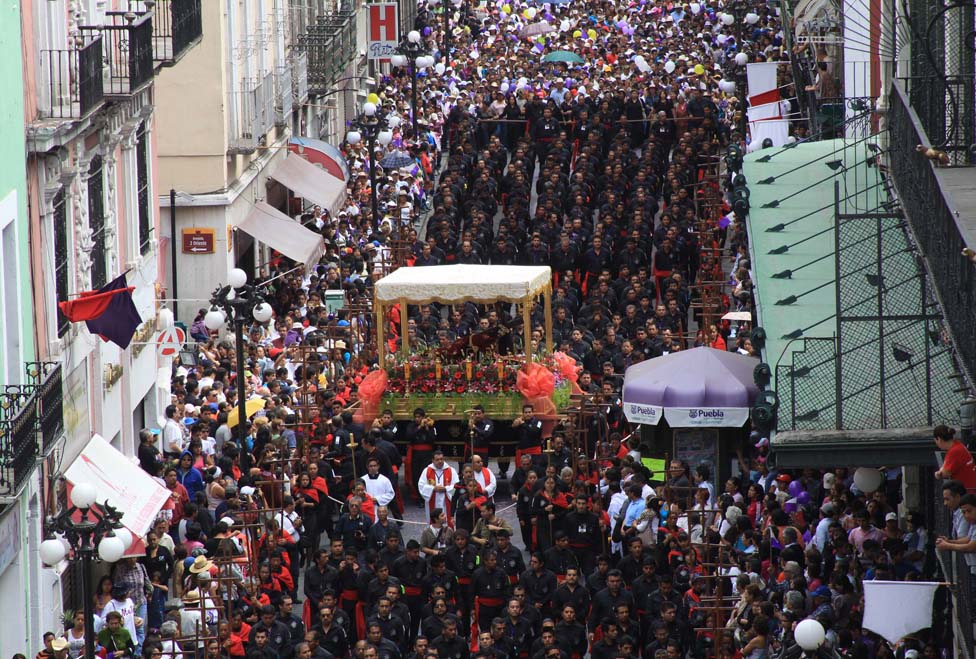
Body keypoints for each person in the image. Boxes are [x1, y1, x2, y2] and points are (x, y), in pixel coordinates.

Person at [418, 452, 459, 525]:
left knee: (447, 522)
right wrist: (433, 488)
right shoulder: (427, 471)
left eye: (441, 459)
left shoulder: (451, 470)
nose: (440, 461)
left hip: (446, 501)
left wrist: (446, 489)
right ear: (433, 460)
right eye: (437, 460)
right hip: (432, 500)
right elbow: (421, 486)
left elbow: (456, 487)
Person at [934, 425, 976, 491]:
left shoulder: (954, 451)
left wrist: (937, 474)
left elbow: (945, 473)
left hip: (966, 491)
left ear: (939, 439)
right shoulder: (958, 445)